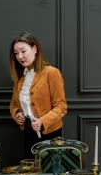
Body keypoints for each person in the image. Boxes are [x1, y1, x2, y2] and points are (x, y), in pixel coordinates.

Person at [9, 31, 67, 160]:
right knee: (31, 173)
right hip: (28, 131)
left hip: (50, 134)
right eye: (16, 53)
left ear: (34, 49)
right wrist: (17, 113)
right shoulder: (20, 77)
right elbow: (13, 103)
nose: (20, 56)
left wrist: (42, 121)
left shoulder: (51, 73)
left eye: (23, 51)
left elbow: (61, 107)